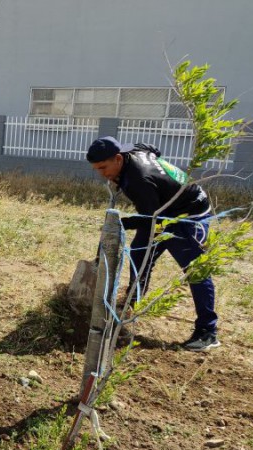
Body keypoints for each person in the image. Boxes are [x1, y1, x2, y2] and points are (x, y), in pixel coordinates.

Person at [86, 136, 219, 351]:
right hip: (162, 210)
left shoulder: (140, 181)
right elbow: (153, 149)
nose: (101, 174)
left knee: (196, 271)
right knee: (138, 254)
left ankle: (208, 332)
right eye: (96, 169)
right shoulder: (134, 149)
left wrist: (119, 223)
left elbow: (150, 221)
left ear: (119, 159)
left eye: (103, 167)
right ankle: (131, 304)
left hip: (189, 215)